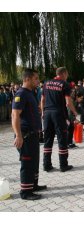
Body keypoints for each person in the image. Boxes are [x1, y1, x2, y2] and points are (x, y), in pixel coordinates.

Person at [11, 68, 47, 200]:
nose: (38, 81)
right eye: (36, 78)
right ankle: (25, 192)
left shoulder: (30, 93)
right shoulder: (21, 93)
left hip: (33, 134)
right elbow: (15, 115)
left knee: (34, 161)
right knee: (27, 163)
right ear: (27, 79)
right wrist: (19, 135)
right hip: (24, 135)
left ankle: (33, 185)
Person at [41, 67, 78, 172]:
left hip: (47, 113)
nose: (67, 76)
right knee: (62, 139)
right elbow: (68, 102)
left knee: (48, 139)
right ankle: (63, 165)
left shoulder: (46, 83)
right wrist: (75, 112)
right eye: (67, 74)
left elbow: (42, 99)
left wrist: (43, 112)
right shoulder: (65, 84)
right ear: (64, 74)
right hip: (58, 114)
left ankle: (46, 165)